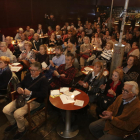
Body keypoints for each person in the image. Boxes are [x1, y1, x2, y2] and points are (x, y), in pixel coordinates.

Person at [3, 62, 48, 140]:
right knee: (5, 110)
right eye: (31, 70)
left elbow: (44, 94)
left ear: (39, 71)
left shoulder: (43, 79)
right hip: (23, 98)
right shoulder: (28, 76)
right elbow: (20, 84)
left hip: (35, 101)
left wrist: (31, 93)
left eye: (34, 70)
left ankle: (22, 130)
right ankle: (14, 123)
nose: (31, 72)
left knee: (17, 114)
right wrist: (19, 88)